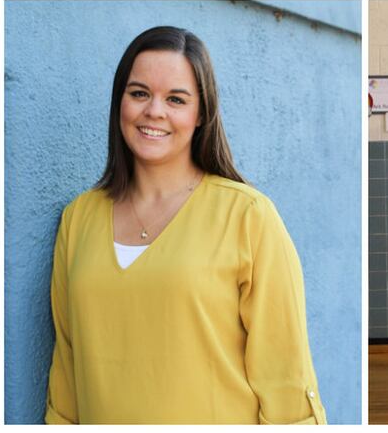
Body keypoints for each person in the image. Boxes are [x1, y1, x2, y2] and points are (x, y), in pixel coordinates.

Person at [44, 25, 325, 424]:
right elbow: (67, 366)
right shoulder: (79, 219)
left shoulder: (247, 216)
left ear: (201, 114)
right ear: (119, 103)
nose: (154, 111)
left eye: (175, 99)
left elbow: (284, 371)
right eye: (139, 93)